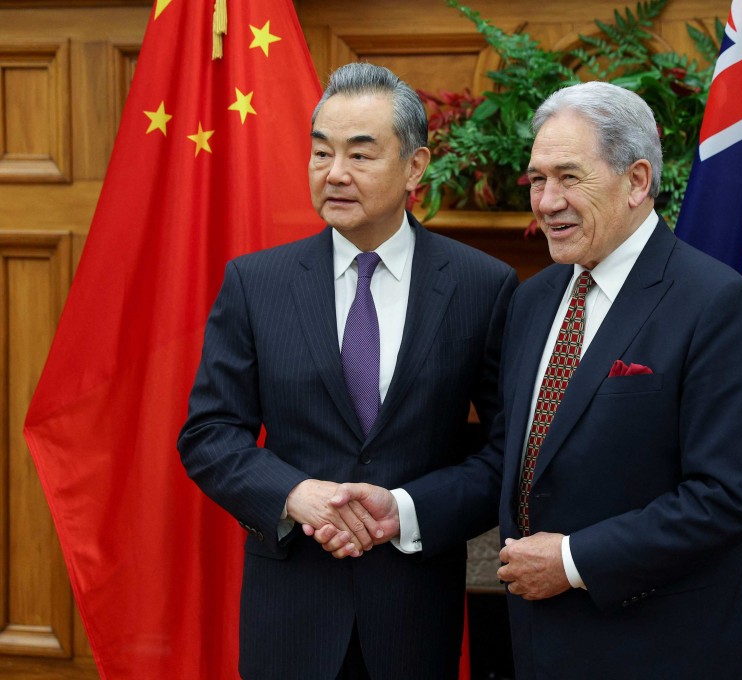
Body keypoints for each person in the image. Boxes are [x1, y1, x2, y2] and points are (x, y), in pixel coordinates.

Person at [317, 81, 742, 679]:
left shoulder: (713, 302)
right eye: (538, 180)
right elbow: (512, 460)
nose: (546, 202)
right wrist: (404, 510)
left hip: (671, 649)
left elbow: (726, 498)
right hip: (547, 646)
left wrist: (572, 560)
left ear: (638, 181)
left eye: (569, 178)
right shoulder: (536, 298)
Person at [177, 62, 517, 680]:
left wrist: (406, 510)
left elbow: (507, 450)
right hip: (291, 616)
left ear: (415, 167)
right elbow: (208, 434)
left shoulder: (480, 286)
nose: (334, 174)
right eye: (321, 153)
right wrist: (294, 495)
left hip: (414, 614)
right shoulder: (257, 284)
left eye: (361, 155)